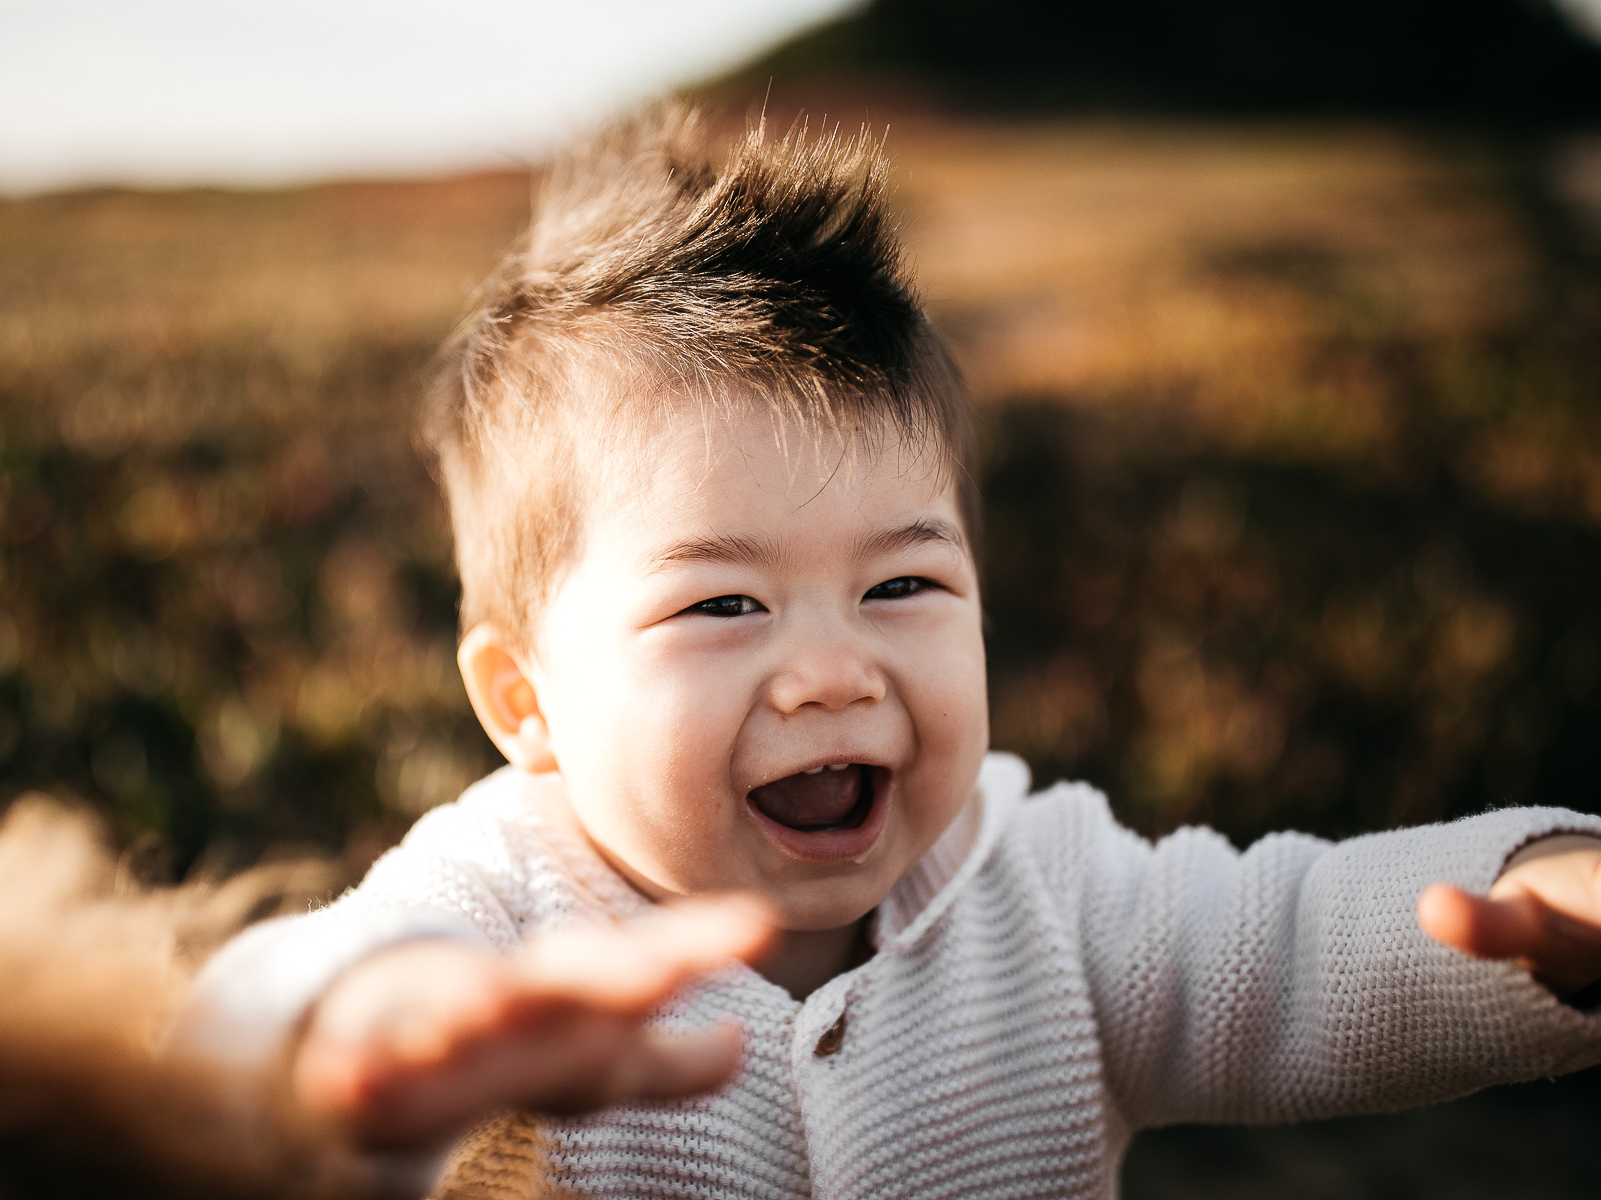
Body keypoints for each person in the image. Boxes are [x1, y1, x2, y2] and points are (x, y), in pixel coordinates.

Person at [180, 106, 1601, 1199]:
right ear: (523, 699)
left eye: (903, 582)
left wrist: (1542, 902)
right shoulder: (497, 912)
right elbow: (261, 1005)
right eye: (724, 606)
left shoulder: (1039, 886)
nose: (831, 672)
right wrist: (349, 1038)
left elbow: (1289, 942)